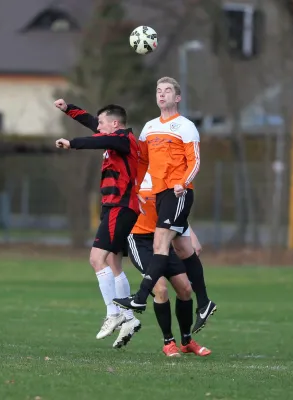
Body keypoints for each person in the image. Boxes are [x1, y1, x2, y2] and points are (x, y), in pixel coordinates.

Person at [113, 77, 216, 333]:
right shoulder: (149, 127)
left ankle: (140, 296)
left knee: (160, 244)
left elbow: (195, 161)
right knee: (183, 249)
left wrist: (183, 182)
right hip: (160, 194)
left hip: (178, 193)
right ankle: (204, 303)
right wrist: (137, 188)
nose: (162, 94)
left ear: (177, 97)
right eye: (158, 90)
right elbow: (142, 162)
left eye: (167, 91)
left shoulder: (186, 126)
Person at [54, 99, 141, 348]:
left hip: (120, 207)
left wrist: (72, 144)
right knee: (113, 262)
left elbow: (99, 139)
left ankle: (113, 312)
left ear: (115, 124)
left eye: (103, 123)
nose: (98, 126)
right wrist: (68, 108)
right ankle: (129, 318)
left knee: (96, 259)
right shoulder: (114, 136)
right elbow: (92, 123)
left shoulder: (122, 140)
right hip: (116, 207)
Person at [127, 171, 212, 356]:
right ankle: (168, 342)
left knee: (185, 289)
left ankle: (187, 341)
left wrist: (191, 236)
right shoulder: (135, 174)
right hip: (140, 242)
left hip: (164, 241)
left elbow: (175, 211)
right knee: (161, 289)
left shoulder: (165, 174)